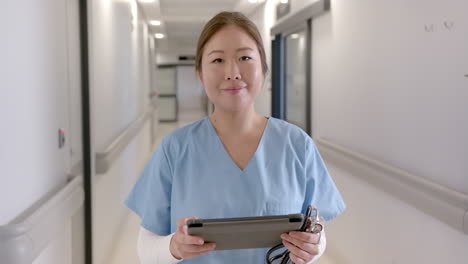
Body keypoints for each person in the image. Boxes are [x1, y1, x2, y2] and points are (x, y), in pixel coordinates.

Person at [125, 11, 346, 264]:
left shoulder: (297, 145)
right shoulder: (174, 149)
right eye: (218, 60)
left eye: (244, 57)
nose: (232, 72)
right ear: (200, 73)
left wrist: (312, 248)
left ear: (263, 69)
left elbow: (317, 232)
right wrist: (174, 247)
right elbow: (146, 249)